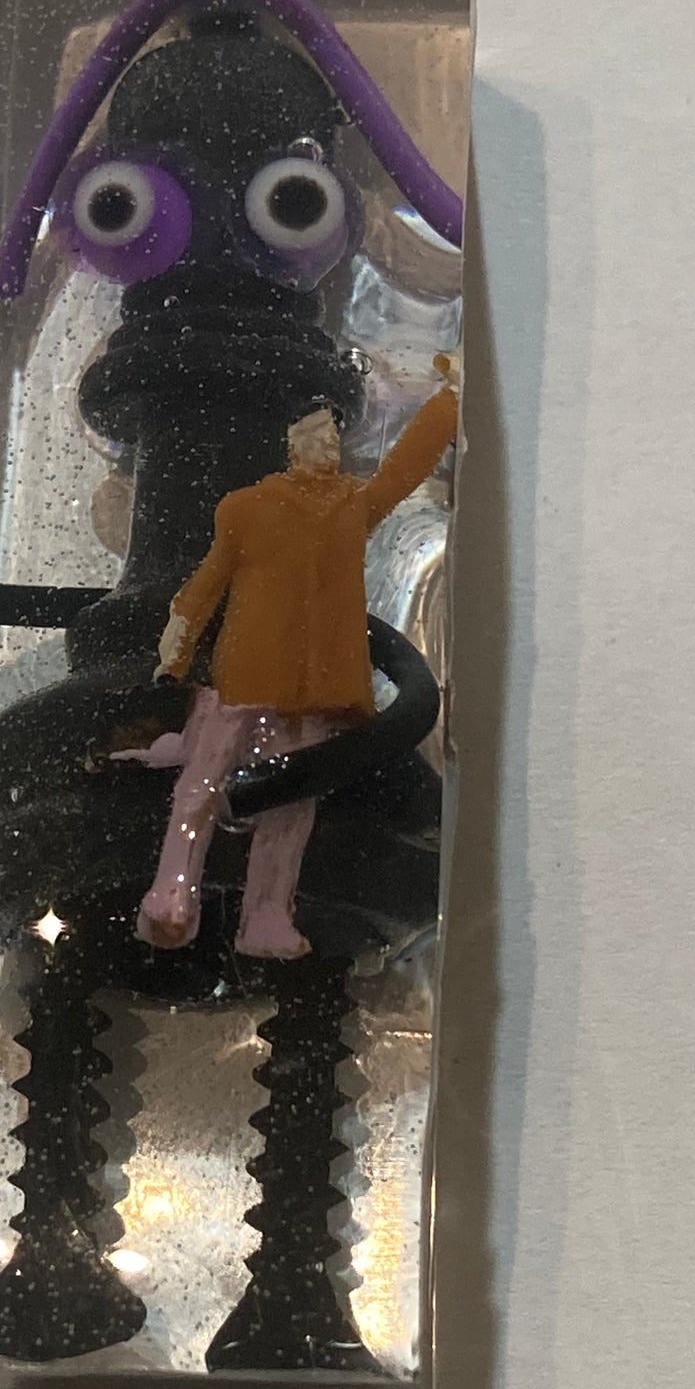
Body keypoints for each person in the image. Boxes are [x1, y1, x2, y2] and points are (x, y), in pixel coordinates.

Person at [133, 370, 459, 957]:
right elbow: (204, 586)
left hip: (316, 688)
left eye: (334, 437)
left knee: (291, 804)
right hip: (245, 676)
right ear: (293, 444)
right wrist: (174, 655)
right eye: (317, 436)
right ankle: (170, 892)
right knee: (200, 788)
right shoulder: (247, 508)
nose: (328, 446)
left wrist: (447, 406)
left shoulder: (352, 505)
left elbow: (403, 471)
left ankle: (266, 916)